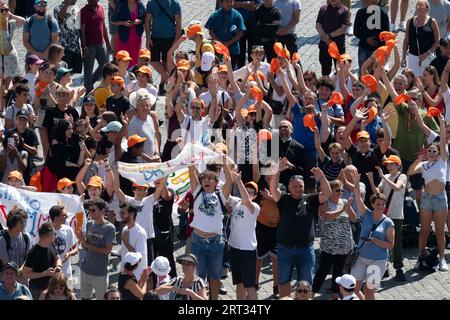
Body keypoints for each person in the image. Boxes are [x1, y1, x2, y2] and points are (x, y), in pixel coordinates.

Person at [269, 161, 331, 298]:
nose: (298, 188)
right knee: (284, 281)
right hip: (285, 249)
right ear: (288, 188)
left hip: (306, 250)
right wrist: (277, 171)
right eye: (294, 186)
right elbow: (273, 189)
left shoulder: (310, 199)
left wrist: (322, 177)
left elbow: (327, 193)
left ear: (304, 187)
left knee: (306, 284)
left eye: (300, 186)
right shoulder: (283, 199)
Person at [188, 155, 233, 300]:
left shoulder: (221, 196)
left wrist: (225, 163)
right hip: (197, 241)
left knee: (214, 275)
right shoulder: (198, 192)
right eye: (204, 179)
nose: (207, 180)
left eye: (210, 179)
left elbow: (230, 181)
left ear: (216, 182)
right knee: (198, 275)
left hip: (215, 242)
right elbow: (191, 170)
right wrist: (188, 152)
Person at [408, 114, 448, 271]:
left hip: (440, 198)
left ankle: (442, 259)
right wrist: (418, 159)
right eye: (429, 150)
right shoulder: (423, 165)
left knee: (439, 232)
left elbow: (443, 141)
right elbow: (410, 172)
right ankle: (420, 257)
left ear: (438, 152)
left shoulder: (442, 161)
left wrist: (442, 125)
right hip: (426, 198)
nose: (432, 152)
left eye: (434, 150)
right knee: (424, 231)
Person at [352, 174, 395, 300]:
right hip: (361, 258)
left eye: (382, 204)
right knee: (354, 288)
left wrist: (375, 240)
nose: (380, 207)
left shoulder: (388, 223)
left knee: (369, 291)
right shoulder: (366, 214)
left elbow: (390, 245)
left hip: (378, 261)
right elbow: (357, 197)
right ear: (372, 205)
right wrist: (356, 183)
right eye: (378, 204)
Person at [312, 180, 356, 300]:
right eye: (338, 190)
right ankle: (311, 294)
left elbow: (354, 218)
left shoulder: (345, 202)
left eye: (342, 190)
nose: (341, 192)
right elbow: (327, 216)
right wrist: (342, 210)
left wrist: (348, 208)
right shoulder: (324, 203)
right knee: (323, 270)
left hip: (344, 244)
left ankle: (335, 296)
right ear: (331, 191)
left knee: (338, 271)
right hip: (329, 245)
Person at [368, 155, 407, 281]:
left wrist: (383, 176)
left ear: (398, 165)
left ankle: (399, 268)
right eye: (388, 164)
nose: (389, 166)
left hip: (396, 215)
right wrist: (371, 181)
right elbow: (377, 193)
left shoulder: (402, 176)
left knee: (397, 243)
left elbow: (397, 187)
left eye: (391, 164)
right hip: (385, 216)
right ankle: (384, 267)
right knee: (382, 241)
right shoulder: (386, 178)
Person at [227, 173, 260, 300]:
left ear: (255, 196)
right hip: (234, 248)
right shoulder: (236, 201)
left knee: (249, 286)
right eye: (247, 190)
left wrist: (239, 181)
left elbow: (246, 200)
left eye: (252, 192)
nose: (248, 193)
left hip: (248, 250)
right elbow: (224, 194)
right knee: (239, 284)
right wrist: (228, 174)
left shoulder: (255, 207)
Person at [77, 198, 116, 300]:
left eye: (93, 210)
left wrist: (85, 243)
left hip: (100, 272)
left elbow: (107, 251)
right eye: (89, 210)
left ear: (102, 210)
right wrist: (82, 239)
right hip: (85, 269)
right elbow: (86, 247)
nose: (90, 212)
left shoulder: (110, 228)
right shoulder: (89, 224)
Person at [145, 0, 182, 95]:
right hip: (155, 37)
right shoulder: (151, 3)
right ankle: (169, 80)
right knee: (153, 60)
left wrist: (176, 40)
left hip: (170, 38)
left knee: (167, 62)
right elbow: (148, 20)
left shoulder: (175, 3)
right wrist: (148, 37)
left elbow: (178, 22)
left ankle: (163, 86)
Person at [22, 222, 62, 300]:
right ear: (47, 236)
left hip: (52, 287)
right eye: (54, 234)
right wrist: (45, 273)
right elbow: (26, 274)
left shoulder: (51, 244)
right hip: (37, 289)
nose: (55, 236)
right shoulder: (33, 253)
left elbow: (58, 258)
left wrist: (59, 266)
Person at [80, 0, 112, 93]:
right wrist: (84, 47)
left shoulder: (101, 8)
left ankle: (91, 82)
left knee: (105, 65)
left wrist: (108, 43)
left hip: (101, 43)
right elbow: (82, 31)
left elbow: (104, 27)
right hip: (89, 45)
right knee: (88, 70)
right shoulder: (83, 11)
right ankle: (88, 92)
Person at [401, 0, 440, 76]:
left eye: (422, 6)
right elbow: (406, 41)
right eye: (418, 6)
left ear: (427, 8)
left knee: (427, 80)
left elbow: (437, 40)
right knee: (414, 79)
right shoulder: (410, 21)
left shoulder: (432, 21)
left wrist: (426, 54)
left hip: (428, 57)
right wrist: (403, 57)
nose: (420, 8)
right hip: (413, 56)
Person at [205, 0, 246, 70]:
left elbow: (241, 32)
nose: (230, 4)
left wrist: (228, 42)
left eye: (231, 2)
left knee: (231, 71)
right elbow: (210, 31)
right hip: (218, 49)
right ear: (221, 2)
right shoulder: (215, 15)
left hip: (233, 49)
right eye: (227, 2)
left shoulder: (237, 15)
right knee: (217, 70)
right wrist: (220, 43)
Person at [316, 0, 351, 76]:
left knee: (340, 69)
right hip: (324, 45)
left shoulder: (345, 10)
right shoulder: (323, 9)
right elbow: (318, 25)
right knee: (325, 69)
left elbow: (344, 28)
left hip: (339, 46)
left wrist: (329, 36)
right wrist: (325, 37)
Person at [353, 0, 390, 71]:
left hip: (378, 49)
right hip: (364, 47)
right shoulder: (361, 13)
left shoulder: (383, 13)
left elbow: (386, 33)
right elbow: (356, 31)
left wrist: (380, 44)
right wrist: (366, 39)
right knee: (363, 71)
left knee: (377, 71)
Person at [49, 205, 78, 286]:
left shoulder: (68, 230)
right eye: (63, 215)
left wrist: (69, 254)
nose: (66, 217)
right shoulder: (45, 230)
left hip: (66, 270)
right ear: (56, 218)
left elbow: (76, 249)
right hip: (49, 271)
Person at [119, 203, 148, 279]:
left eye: (123, 213)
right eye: (120, 212)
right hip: (125, 273)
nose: (120, 215)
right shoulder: (125, 229)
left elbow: (138, 258)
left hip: (135, 276)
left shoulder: (140, 233)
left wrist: (126, 242)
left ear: (131, 214)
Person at [112, 0, 146, 65]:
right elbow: (113, 20)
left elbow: (145, 18)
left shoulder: (140, 4)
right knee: (122, 60)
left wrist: (139, 21)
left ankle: (133, 75)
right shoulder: (120, 5)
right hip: (123, 38)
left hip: (137, 38)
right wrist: (123, 23)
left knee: (135, 61)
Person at [54, 0, 82, 73]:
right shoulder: (58, 8)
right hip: (64, 47)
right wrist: (67, 3)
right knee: (63, 72)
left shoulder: (77, 8)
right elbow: (60, 16)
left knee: (73, 72)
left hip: (76, 47)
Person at [0, 2, 25, 80]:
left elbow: (22, 21)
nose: (4, 12)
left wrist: (10, 15)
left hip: (10, 56)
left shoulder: (11, 23)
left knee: (7, 84)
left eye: (6, 10)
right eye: (1, 10)